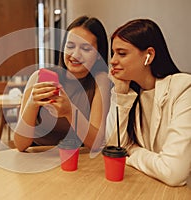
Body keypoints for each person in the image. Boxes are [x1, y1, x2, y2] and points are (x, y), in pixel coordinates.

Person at [106, 19, 191, 186]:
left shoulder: (184, 88)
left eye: (121, 53)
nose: (113, 61)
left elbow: (173, 172)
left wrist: (133, 150)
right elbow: (114, 149)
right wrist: (121, 93)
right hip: (147, 186)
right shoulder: (131, 91)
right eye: (113, 53)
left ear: (149, 55)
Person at [14, 16, 110, 152]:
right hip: (38, 156)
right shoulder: (38, 77)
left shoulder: (100, 81)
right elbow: (20, 144)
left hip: (76, 159)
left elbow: (96, 143)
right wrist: (31, 103)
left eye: (86, 48)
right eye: (70, 46)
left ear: (99, 54)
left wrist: (70, 112)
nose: (75, 54)